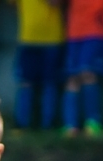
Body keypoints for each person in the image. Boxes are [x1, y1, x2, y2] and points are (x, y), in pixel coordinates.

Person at [62, 0, 103, 134]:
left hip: (98, 30)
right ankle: (70, 126)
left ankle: (92, 122)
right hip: (74, 31)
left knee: (88, 74)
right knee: (72, 78)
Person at [14, 0, 67, 129]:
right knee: (26, 83)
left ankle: (47, 125)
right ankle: (22, 125)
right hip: (27, 38)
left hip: (52, 40)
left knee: (50, 83)